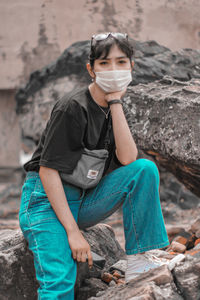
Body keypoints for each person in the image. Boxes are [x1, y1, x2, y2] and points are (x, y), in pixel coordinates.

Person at [18, 32, 170, 299]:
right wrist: (73, 233)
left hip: (84, 198)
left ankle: (139, 262)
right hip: (45, 201)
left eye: (121, 62)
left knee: (145, 170)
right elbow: (47, 170)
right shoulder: (71, 107)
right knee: (59, 282)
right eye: (104, 63)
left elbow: (127, 159)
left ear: (132, 66)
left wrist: (115, 102)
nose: (113, 69)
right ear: (91, 68)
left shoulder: (113, 107)